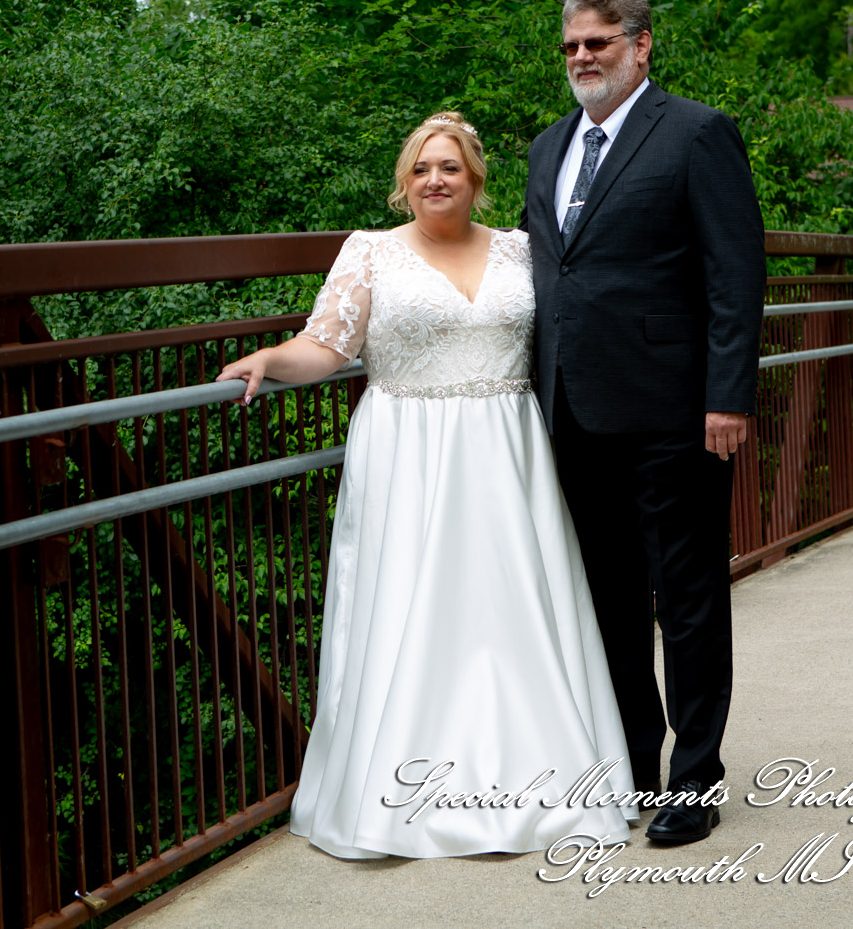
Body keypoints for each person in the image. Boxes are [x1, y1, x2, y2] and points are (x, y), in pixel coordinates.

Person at [217, 113, 639, 859]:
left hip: (510, 452)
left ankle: (542, 781)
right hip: (408, 453)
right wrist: (268, 360)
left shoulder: (522, 249)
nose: (434, 180)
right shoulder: (370, 253)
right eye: (420, 169)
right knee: (414, 608)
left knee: (516, 613)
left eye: (448, 167)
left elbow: (579, 323)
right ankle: (402, 793)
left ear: (475, 179)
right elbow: (327, 345)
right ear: (404, 184)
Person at [521, 0, 765, 846]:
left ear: (642, 45)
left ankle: (695, 781)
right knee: (611, 602)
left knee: (689, 597)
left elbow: (735, 275)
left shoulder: (697, 133)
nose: (583, 57)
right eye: (572, 46)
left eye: (599, 42)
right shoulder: (548, 147)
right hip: (573, 413)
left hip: (675, 412)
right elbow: (546, 276)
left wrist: (728, 395)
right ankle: (633, 763)